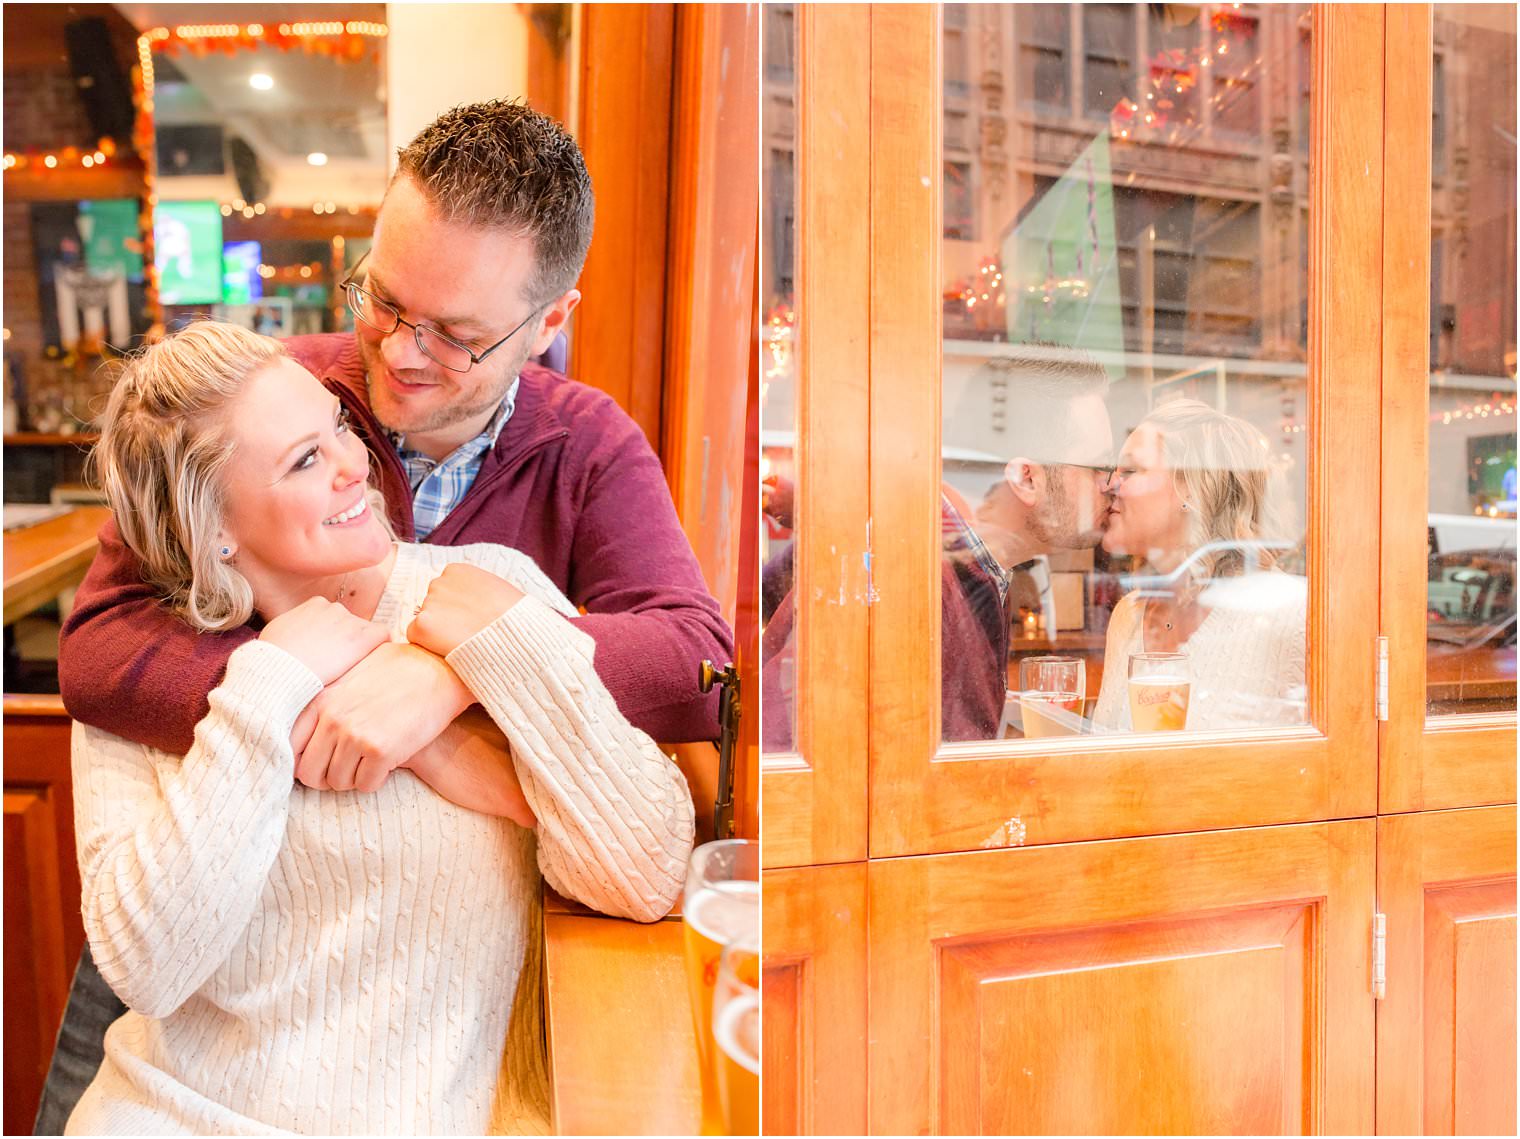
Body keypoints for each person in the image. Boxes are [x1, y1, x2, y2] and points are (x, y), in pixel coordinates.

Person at [42, 99, 731, 1133]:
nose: (400, 355)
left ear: (548, 323)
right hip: (196, 955)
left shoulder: (585, 449)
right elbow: (100, 647)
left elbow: (695, 661)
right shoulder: (274, 398)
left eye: (454, 336)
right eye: (383, 299)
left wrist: (453, 674)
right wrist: (311, 690)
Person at [759, 350, 1113, 747]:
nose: (1109, 484)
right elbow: (790, 746)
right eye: (1097, 465)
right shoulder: (907, 575)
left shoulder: (975, 569)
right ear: (1026, 478)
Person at [1090, 398, 1306, 732]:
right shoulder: (1129, 616)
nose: (1109, 486)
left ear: (1192, 486)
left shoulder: (1292, 614)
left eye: (1131, 471)